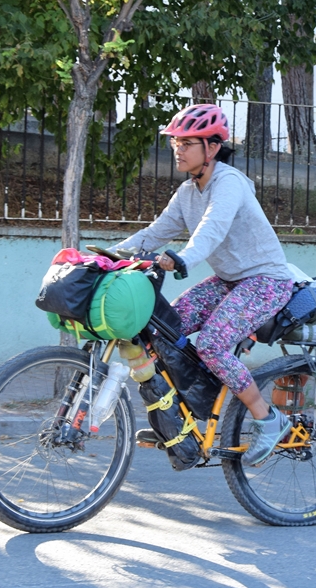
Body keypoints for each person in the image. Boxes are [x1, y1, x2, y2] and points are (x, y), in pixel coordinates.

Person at [114, 104, 296, 466]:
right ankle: (177, 420)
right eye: (175, 143)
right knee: (163, 328)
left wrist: (184, 258)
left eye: (186, 142)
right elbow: (154, 234)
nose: (177, 149)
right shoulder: (187, 193)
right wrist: (109, 255)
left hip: (266, 281)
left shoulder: (229, 183)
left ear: (211, 148)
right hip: (230, 282)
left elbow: (211, 229)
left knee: (213, 344)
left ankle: (269, 419)